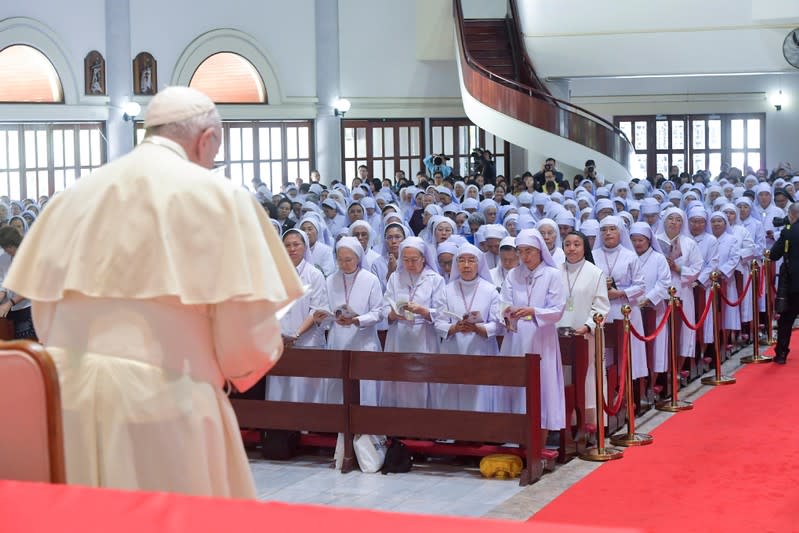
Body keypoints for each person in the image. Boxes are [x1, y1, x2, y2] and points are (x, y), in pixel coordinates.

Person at [2, 86, 303, 497]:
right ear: (207, 139)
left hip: (70, 403)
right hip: (169, 403)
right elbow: (244, 343)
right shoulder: (221, 198)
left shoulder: (73, 197)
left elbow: (45, 315)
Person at [498, 229, 566, 445]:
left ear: (540, 251)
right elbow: (503, 303)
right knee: (517, 386)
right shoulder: (513, 274)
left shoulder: (553, 275)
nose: (525, 256)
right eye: (521, 251)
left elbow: (558, 310)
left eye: (529, 251)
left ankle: (540, 440)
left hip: (541, 337)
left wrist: (533, 311)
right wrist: (508, 312)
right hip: (516, 338)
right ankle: (517, 438)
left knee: (542, 388)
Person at [379, 236, 445, 408]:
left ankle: (426, 425)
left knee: (423, 380)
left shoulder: (435, 279)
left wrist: (423, 311)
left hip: (424, 336)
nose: (410, 264)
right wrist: (392, 314)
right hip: (399, 336)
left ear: (423, 258)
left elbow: (442, 313)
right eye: (406, 260)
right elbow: (384, 307)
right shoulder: (395, 277)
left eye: (414, 260)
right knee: (400, 379)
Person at [435, 243, 502, 411]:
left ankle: (483, 434)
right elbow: (438, 322)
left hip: (481, 349)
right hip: (453, 349)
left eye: (471, 260)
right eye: (462, 261)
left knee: (480, 395)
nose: (466, 265)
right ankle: (452, 433)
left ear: (479, 264)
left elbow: (498, 324)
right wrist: (455, 328)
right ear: (456, 264)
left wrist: (477, 328)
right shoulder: (446, 290)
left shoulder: (491, 290)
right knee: (453, 392)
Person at [266, 229, 329, 403]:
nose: (292, 249)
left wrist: (296, 334)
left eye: (296, 244)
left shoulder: (314, 274)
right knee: (280, 389)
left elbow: (316, 310)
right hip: (280, 340)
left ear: (305, 246)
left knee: (303, 389)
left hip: (306, 340)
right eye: (287, 245)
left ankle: (305, 427)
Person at [557, 231, 609, 426]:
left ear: (584, 247)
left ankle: (590, 424)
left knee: (587, 379)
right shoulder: (555, 271)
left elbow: (601, 307)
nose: (571, 248)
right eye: (567, 244)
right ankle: (565, 424)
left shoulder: (595, 273)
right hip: (560, 336)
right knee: (563, 377)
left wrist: (587, 326)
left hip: (587, 336)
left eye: (576, 244)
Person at [325, 237, 384, 403]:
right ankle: (341, 428)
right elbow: (324, 309)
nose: (343, 264)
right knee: (339, 388)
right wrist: (330, 316)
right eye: (340, 260)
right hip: (337, 339)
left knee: (365, 388)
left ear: (358, 258)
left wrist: (358, 320)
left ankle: (367, 428)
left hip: (363, 340)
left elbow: (379, 312)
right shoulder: (330, 280)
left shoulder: (370, 279)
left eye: (348, 260)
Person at [769, 202, 799, 364]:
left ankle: (781, 354)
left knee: (786, 320)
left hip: (793, 283)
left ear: (792, 215)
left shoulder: (788, 232)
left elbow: (774, 254)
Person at [0, 226, 37, 339]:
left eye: (8, 247)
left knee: (24, 345)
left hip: (26, 309)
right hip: (9, 309)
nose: (6, 250)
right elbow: (3, 282)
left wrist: (10, 302)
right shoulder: (4, 258)